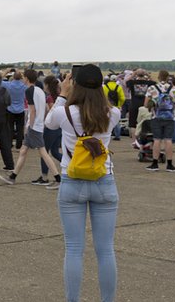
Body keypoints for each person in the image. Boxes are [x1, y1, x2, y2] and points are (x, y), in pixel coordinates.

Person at [44, 65, 119, 302]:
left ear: (74, 83)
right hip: (104, 181)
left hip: (72, 181)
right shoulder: (112, 113)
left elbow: (48, 123)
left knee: (74, 249)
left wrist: (63, 94)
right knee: (105, 250)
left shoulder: (64, 112)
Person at [0, 70, 61, 188]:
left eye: (24, 77)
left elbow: (32, 111)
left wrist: (29, 127)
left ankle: (58, 178)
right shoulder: (40, 91)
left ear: (26, 78)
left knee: (43, 153)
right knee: (23, 151)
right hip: (39, 125)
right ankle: (13, 177)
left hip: (34, 127)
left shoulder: (29, 91)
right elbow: (45, 110)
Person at [144, 70, 175, 172]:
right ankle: (170, 164)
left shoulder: (152, 88)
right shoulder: (174, 89)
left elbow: (145, 104)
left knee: (157, 140)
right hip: (170, 117)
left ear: (159, 77)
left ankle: (155, 163)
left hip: (156, 117)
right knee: (168, 140)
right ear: (167, 77)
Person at [126, 69, 154, 148]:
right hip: (145, 105)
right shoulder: (148, 83)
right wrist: (148, 75)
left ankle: (135, 141)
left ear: (137, 75)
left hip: (134, 104)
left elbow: (126, 81)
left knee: (133, 124)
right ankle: (144, 139)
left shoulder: (132, 83)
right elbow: (155, 83)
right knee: (145, 122)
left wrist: (133, 74)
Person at [3, 71, 27, 150]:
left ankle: (10, 144)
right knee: (20, 128)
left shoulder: (9, 85)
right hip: (20, 109)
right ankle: (19, 144)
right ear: (21, 77)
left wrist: (5, 73)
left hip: (10, 109)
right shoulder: (24, 86)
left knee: (10, 128)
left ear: (13, 77)